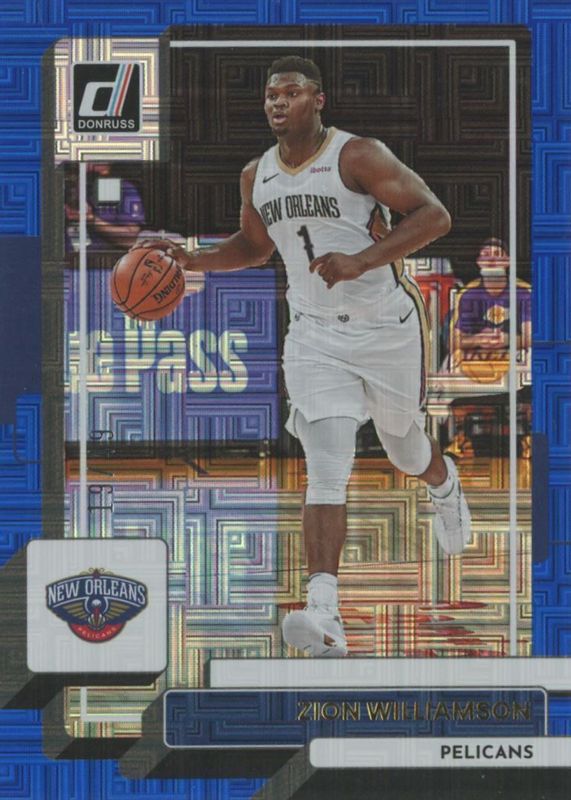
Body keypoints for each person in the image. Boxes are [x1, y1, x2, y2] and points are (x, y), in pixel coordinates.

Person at [145, 55, 471, 658]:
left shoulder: (358, 155)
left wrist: (361, 261)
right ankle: (324, 609)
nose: (278, 103)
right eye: (271, 95)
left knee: (403, 448)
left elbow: (435, 216)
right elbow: (254, 245)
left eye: (291, 93)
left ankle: (444, 485)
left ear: (317, 100)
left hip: (386, 328)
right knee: (326, 462)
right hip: (314, 335)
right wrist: (194, 259)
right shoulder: (257, 175)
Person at [451, 237, 531, 382]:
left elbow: (532, 338)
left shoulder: (524, 293)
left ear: (508, 261)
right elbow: (454, 341)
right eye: (486, 255)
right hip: (479, 359)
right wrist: (479, 339)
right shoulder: (468, 295)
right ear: (479, 262)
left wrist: (507, 339)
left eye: (497, 255)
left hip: (515, 359)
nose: (491, 259)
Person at [65, 163, 145, 252]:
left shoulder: (123, 189)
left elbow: (129, 240)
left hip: (104, 256)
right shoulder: (65, 186)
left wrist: (92, 220)